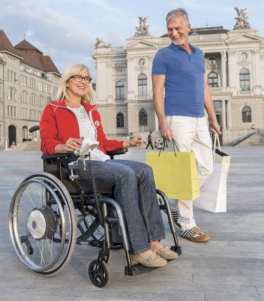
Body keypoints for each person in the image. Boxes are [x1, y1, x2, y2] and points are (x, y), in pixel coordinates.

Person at [40, 63, 178, 267]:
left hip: (99, 161)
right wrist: (64, 145)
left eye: (86, 79)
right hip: (74, 165)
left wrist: (128, 143)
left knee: (145, 171)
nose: (83, 82)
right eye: (78, 77)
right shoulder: (53, 109)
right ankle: (139, 249)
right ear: (67, 82)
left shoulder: (91, 111)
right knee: (125, 173)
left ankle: (154, 240)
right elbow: (46, 143)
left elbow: (103, 143)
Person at [152, 8, 221, 243]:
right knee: (184, 170)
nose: (173, 33)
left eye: (177, 28)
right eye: (170, 29)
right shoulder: (163, 56)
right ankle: (187, 224)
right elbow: (158, 90)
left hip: (199, 118)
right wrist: (163, 122)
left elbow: (204, 88)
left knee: (207, 168)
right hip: (176, 118)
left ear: (188, 27)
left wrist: (212, 117)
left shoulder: (198, 54)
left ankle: (177, 202)